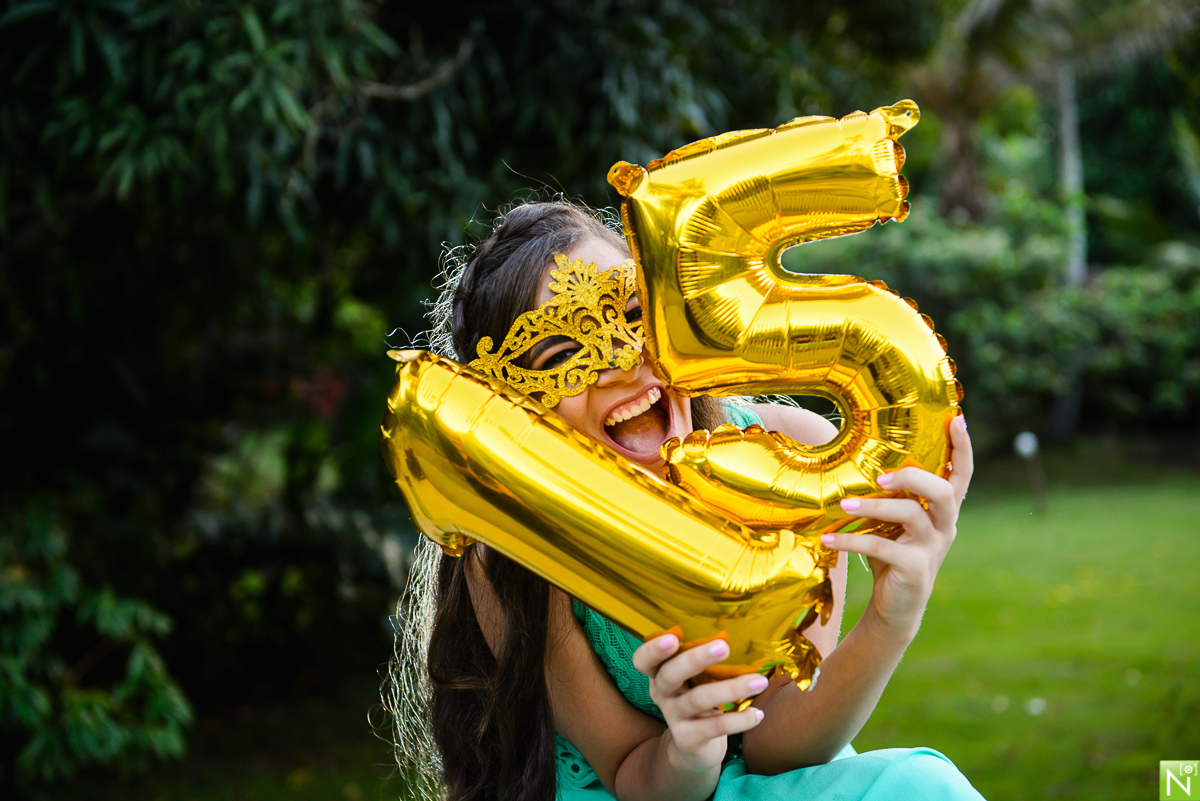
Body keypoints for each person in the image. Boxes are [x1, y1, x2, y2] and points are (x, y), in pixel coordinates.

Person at [386, 200, 984, 801]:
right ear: (518, 417)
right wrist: (689, 749)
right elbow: (629, 771)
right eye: (562, 354)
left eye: (634, 314)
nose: (621, 363)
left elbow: (778, 743)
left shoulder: (800, 459)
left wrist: (892, 619)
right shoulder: (518, 557)